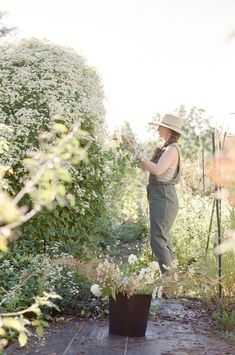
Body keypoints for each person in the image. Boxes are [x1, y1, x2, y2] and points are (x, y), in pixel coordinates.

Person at [135, 114, 184, 273]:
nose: (157, 129)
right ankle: (170, 282)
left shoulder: (171, 149)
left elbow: (156, 170)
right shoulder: (165, 148)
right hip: (160, 197)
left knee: (158, 239)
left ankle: (168, 282)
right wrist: (136, 150)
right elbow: (146, 167)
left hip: (164, 198)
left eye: (160, 126)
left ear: (169, 130)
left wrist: (138, 155)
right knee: (162, 238)